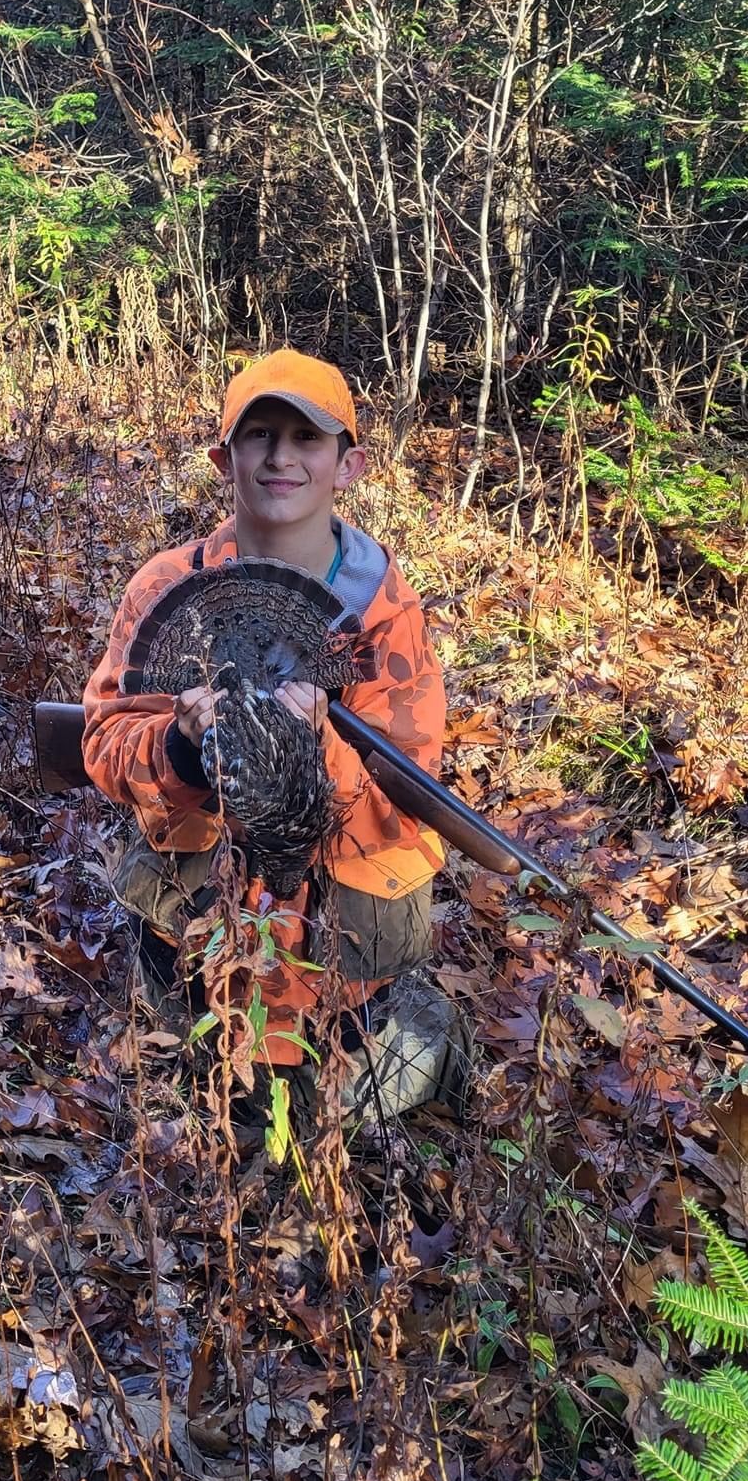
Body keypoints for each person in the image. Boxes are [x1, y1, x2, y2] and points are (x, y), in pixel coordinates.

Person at [82, 349, 464, 1127]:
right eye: (259, 435)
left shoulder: (387, 616)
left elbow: (406, 792)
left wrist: (310, 749)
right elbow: (104, 741)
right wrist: (182, 748)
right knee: (221, 1092)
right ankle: (217, 1047)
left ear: (347, 464)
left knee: (341, 1105)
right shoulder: (165, 586)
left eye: (307, 438)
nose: (281, 456)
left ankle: (389, 1043)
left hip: (339, 940)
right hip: (203, 922)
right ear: (226, 458)